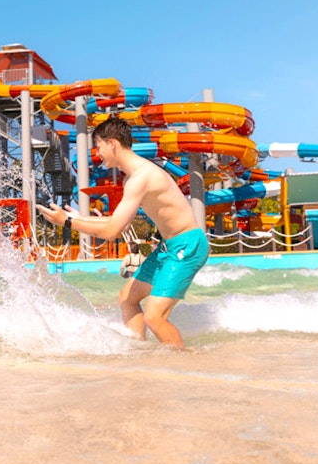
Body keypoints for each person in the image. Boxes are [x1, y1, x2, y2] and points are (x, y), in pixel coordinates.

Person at [37, 117, 209, 348]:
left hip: (187, 246)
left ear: (113, 144)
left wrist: (68, 222)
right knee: (127, 299)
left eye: (99, 146)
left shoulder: (141, 178)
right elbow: (120, 222)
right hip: (168, 247)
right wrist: (76, 218)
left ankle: (189, 364)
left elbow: (112, 231)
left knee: (154, 317)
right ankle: (138, 351)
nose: (98, 153)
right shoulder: (133, 178)